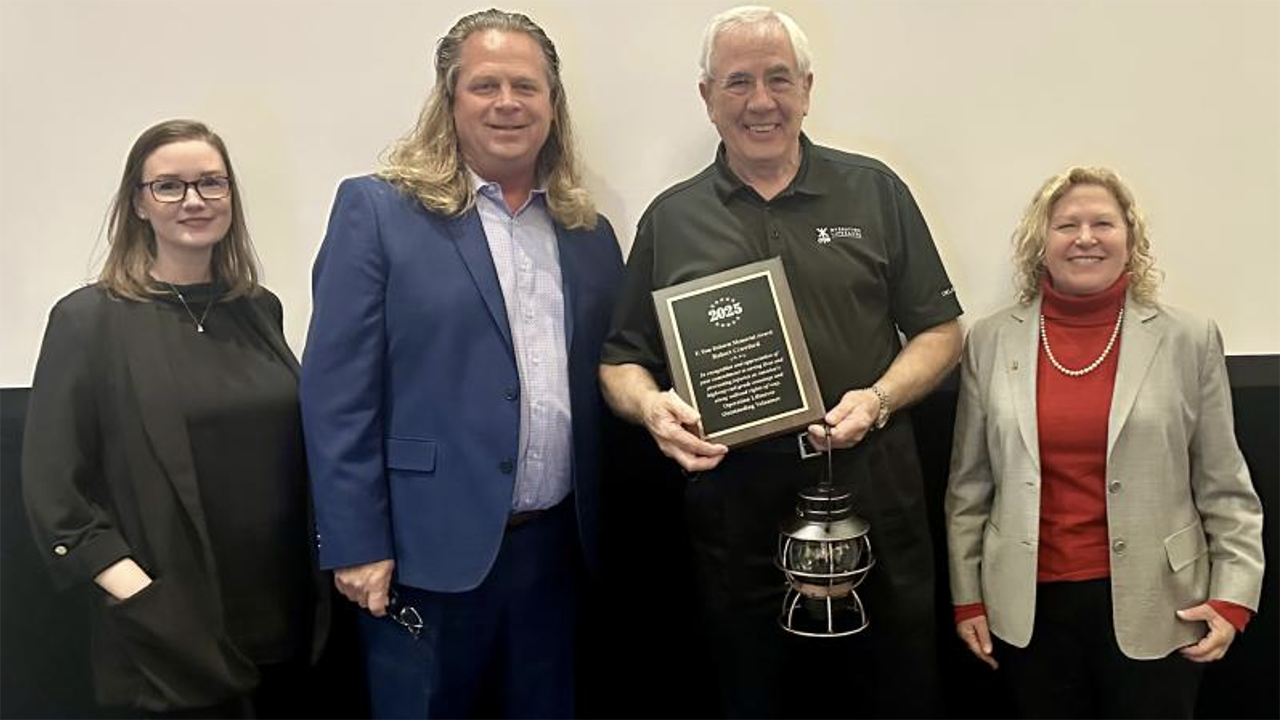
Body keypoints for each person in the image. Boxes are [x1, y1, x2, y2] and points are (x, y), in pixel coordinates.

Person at [599, 6, 963, 717]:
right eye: (737, 82)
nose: (760, 102)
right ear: (706, 96)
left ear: (806, 88)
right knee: (752, 696)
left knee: (892, 696)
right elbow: (621, 360)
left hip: (873, 506)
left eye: (777, 79)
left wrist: (880, 398)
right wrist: (650, 408)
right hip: (736, 522)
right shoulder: (671, 220)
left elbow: (942, 332)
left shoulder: (875, 190)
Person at [300, 8, 623, 718]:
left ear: (553, 105)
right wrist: (356, 545)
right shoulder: (378, 212)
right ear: (449, 101)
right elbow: (337, 396)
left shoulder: (588, 233)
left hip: (558, 557)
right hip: (425, 557)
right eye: (485, 86)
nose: (507, 103)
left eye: (526, 87)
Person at [21, 119, 327, 717]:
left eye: (212, 183)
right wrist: (143, 599)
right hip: (170, 641)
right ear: (138, 202)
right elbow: (55, 497)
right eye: (169, 186)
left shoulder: (257, 310)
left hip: (285, 625)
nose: (194, 200)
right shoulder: (90, 322)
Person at [945, 166, 1265, 718]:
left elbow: (1224, 483)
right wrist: (966, 595)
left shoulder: (1188, 338)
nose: (1086, 237)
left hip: (1163, 605)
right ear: (1039, 244)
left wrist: (1234, 595)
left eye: (1103, 223)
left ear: (1130, 240)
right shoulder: (991, 341)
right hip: (1028, 610)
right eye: (1066, 224)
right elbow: (969, 488)